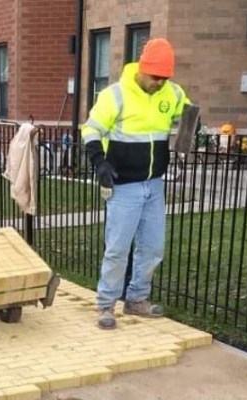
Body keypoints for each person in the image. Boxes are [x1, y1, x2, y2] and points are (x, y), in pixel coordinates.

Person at [81, 38, 192, 330]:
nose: (159, 83)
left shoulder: (173, 92)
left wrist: (188, 133)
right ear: (142, 69)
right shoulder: (115, 95)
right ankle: (106, 304)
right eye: (156, 77)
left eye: (165, 78)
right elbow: (91, 129)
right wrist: (100, 163)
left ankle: (137, 299)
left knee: (153, 247)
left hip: (154, 184)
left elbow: (189, 114)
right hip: (124, 186)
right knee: (118, 248)